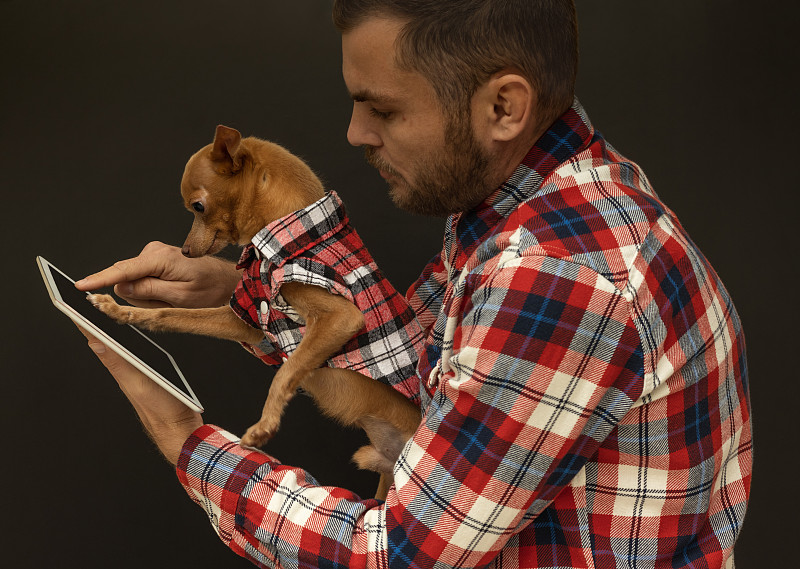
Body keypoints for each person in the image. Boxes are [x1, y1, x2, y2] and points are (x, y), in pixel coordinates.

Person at [74, 1, 752, 567]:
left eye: (384, 111)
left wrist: (187, 441)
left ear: (504, 107)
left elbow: (399, 551)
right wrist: (242, 288)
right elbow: (415, 357)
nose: (354, 134)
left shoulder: (558, 272)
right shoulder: (541, 203)